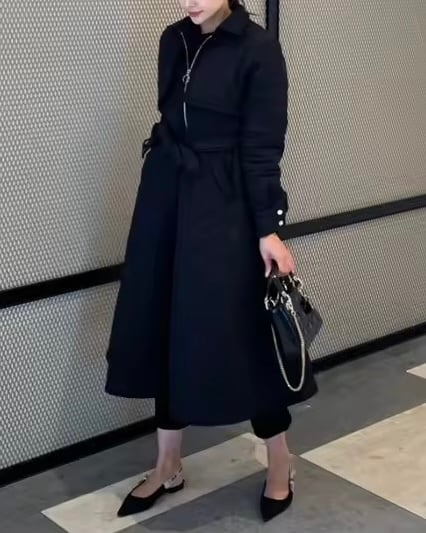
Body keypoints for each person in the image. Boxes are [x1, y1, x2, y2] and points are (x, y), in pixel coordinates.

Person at [105, 0, 317, 522]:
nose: (189, 0)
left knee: (245, 334)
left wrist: (269, 227)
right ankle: (168, 464)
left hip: (225, 206)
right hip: (167, 198)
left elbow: (263, 147)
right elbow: (171, 118)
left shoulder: (258, 49)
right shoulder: (172, 38)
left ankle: (279, 461)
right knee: (164, 325)